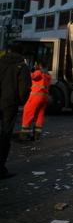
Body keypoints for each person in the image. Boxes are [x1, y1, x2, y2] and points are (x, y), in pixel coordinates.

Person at [0, 44, 31, 179]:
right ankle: (0, 169)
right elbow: (24, 88)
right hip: (9, 103)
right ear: (22, 53)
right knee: (5, 135)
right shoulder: (22, 66)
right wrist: (20, 102)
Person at [20, 59, 52, 141]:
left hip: (35, 97)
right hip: (44, 97)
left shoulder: (39, 72)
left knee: (28, 114)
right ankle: (36, 136)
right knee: (40, 116)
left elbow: (32, 76)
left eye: (35, 64)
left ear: (40, 65)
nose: (34, 66)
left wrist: (27, 71)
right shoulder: (48, 74)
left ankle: (24, 136)